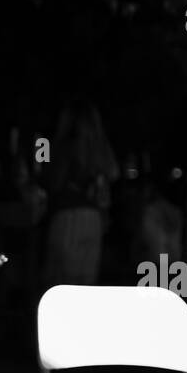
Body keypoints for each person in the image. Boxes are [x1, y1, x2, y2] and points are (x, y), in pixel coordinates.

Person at [42, 98, 118, 289]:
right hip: (93, 220)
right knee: (85, 285)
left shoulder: (66, 147)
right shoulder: (100, 148)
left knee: (61, 285)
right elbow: (113, 173)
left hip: (68, 216)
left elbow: (53, 182)